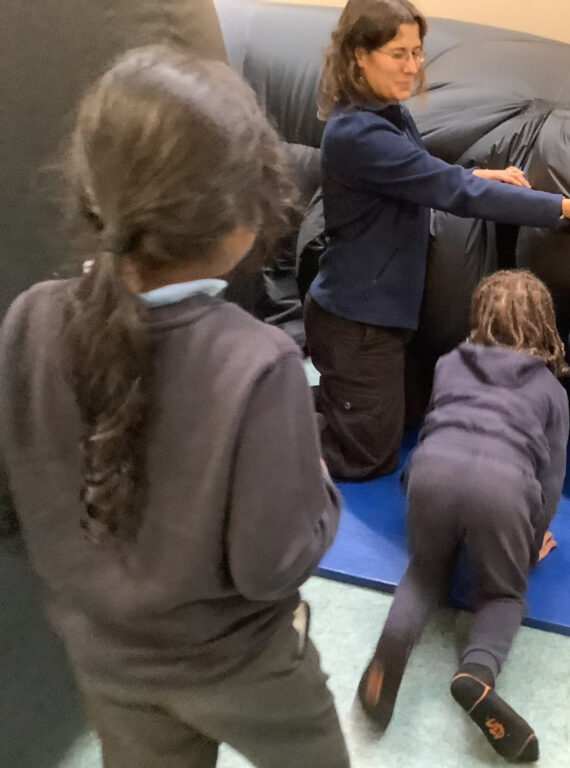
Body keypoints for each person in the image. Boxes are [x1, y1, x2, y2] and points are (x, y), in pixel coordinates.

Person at [0, 47, 349, 768]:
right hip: (243, 668)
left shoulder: (27, 320)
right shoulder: (262, 366)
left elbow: (13, 508)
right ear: (240, 223)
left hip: (106, 663)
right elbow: (272, 564)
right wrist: (319, 487)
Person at [310, 0, 570, 481]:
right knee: (369, 458)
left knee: (404, 416)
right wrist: (560, 207)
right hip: (355, 322)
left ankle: (325, 398)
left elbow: (420, 172)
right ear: (358, 56)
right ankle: (266, 422)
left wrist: (480, 172)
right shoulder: (357, 133)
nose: (412, 67)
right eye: (397, 54)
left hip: (384, 316)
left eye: (417, 52)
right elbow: (453, 193)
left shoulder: (385, 112)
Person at [356, 269, 570, 763]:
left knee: (426, 571)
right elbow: (552, 478)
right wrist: (530, 542)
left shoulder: (448, 362)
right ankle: (476, 673)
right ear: (546, 327)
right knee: (502, 593)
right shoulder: (551, 391)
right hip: (504, 488)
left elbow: (435, 427)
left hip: (431, 473)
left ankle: (391, 649)